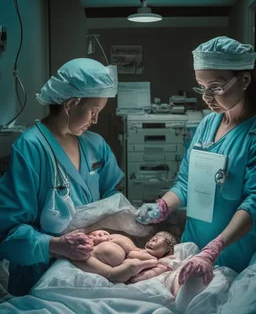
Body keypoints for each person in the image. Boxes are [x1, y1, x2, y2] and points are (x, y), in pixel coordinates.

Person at [135, 36, 256, 288]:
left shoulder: (251, 134)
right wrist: (161, 207)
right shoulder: (207, 124)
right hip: (193, 244)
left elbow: (253, 203)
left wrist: (215, 248)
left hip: (234, 253)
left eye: (216, 87)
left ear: (244, 80)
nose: (207, 97)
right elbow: (185, 182)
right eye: (201, 87)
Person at [0, 58, 125, 296]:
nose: (95, 120)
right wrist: (57, 245)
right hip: (40, 273)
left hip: (93, 265)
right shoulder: (31, 148)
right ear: (71, 103)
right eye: (94, 111)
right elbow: (8, 232)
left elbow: (112, 196)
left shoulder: (95, 145)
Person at [71, 230, 177, 283]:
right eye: (152, 239)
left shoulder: (153, 259)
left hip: (96, 258)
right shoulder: (137, 249)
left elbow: (155, 271)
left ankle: (131, 269)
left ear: (167, 250)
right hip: (93, 248)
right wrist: (103, 235)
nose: (151, 241)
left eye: (156, 240)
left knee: (114, 273)